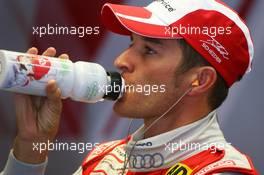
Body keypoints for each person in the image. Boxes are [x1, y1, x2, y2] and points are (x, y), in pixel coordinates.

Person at [1, 0, 259, 174]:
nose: (120, 61)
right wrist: (30, 148)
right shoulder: (105, 158)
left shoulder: (221, 170)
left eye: (148, 50)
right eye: (130, 44)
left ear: (200, 81)